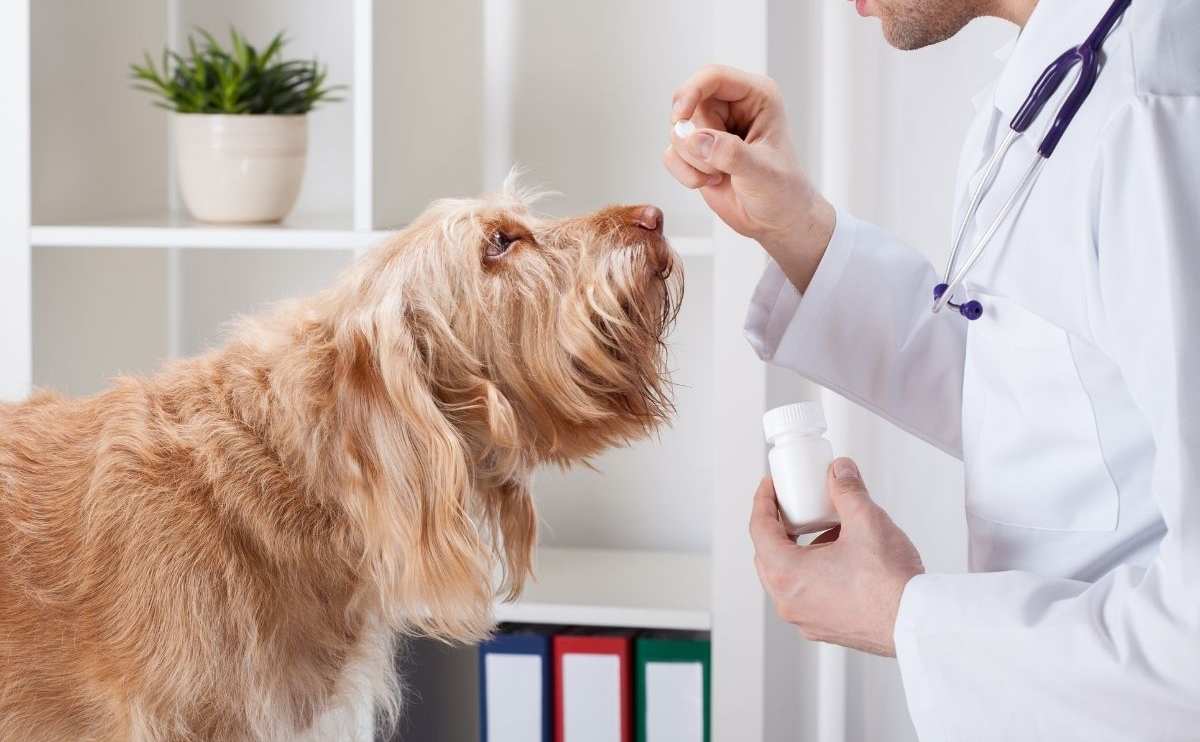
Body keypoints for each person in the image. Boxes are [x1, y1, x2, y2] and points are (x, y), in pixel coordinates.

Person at [664, 0, 1200, 739]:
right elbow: (1050, 397)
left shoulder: (1160, 110)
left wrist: (900, 614)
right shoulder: (1064, 73)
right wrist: (791, 224)